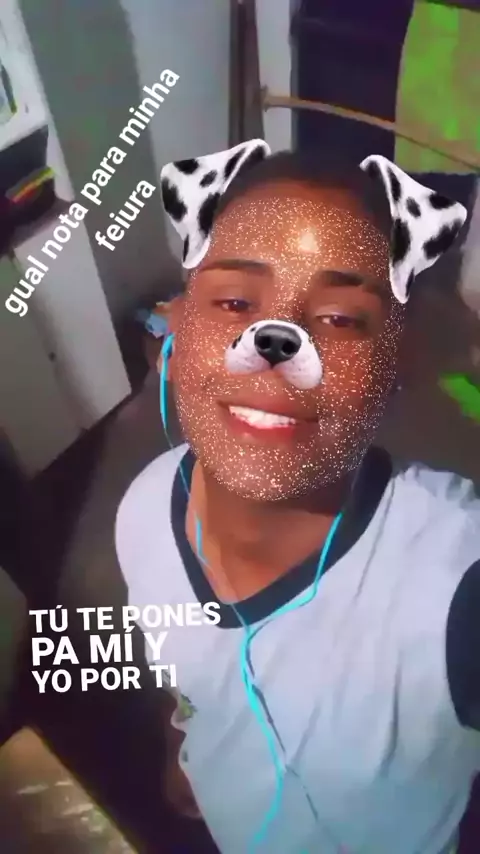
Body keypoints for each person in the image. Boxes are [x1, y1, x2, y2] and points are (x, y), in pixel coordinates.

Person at [115, 140, 480, 854]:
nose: (274, 343)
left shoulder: (453, 587)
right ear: (172, 333)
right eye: (234, 301)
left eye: (341, 318)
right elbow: (185, 671)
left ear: (398, 363)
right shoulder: (143, 508)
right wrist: (188, 740)